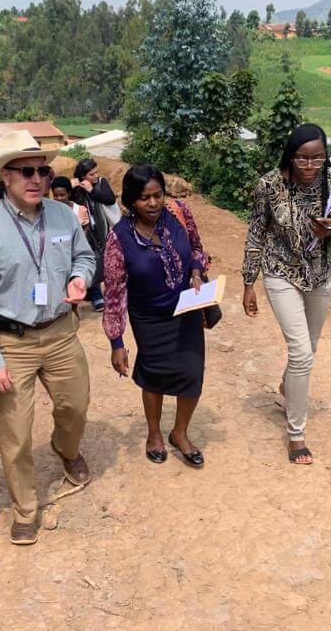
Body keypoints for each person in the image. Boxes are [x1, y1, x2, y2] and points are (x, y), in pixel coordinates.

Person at [0, 130, 95, 546]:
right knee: (16, 433)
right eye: (26, 171)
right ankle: (25, 507)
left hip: (60, 331)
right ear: (6, 176)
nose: (37, 178)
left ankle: (65, 448)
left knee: (76, 406)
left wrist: (79, 277)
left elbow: (86, 256)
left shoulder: (62, 215)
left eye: (43, 170)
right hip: (12, 342)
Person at [241, 124, 331, 466]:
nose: (310, 166)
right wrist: (249, 281)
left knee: (310, 348)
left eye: (317, 158)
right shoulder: (269, 185)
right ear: (290, 155)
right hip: (281, 273)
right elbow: (257, 232)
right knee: (301, 352)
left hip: (320, 276)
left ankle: (288, 387)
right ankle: (296, 435)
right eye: (302, 158)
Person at [103, 163, 210, 467]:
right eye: (143, 198)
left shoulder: (178, 213)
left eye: (157, 195)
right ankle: (154, 434)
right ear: (130, 201)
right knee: (154, 376)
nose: (152, 204)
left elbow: (198, 251)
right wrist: (116, 342)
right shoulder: (119, 238)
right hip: (149, 318)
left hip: (186, 310)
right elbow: (113, 294)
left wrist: (197, 272)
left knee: (192, 372)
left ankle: (180, 433)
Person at [72, 158, 117, 311]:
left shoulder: (101, 183)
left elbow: (110, 199)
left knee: (107, 259)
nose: (96, 175)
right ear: (83, 176)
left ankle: (110, 293)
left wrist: (92, 190)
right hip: (85, 230)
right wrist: (74, 187)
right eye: (92, 174)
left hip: (103, 228)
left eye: (96, 172)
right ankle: (96, 295)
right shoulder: (76, 187)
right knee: (90, 260)